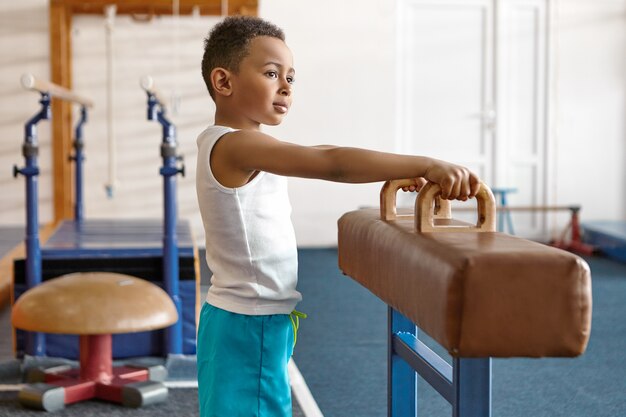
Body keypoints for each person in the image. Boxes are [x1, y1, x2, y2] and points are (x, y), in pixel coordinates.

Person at [195, 15, 480, 417]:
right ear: (223, 82)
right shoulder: (237, 146)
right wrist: (427, 163)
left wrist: (401, 171)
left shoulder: (234, 145)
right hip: (248, 321)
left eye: (291, 78)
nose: (285, 88)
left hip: (244, 317)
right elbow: (330, 162)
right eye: (271, 73)